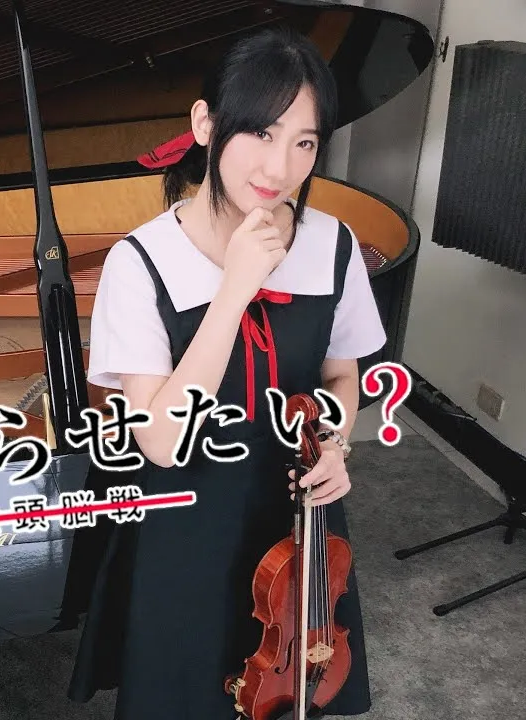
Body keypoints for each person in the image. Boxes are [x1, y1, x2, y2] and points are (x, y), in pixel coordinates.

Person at [67, 27, 384, 719]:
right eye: (262, 133)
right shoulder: (140, 262)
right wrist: (235, 288)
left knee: (293, 689)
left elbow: (343, 374)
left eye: (304, 142)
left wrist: (336, 443)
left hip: (298, 520)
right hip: (188, 523)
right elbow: (161, 441)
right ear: (205, 124)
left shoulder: (332, 243)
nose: (281, 166)